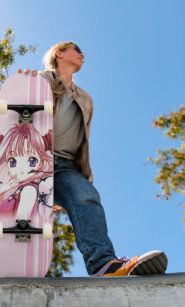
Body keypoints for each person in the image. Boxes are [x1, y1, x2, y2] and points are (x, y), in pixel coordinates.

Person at [18, 41, 168, 277]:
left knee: (87, 196)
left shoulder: (85, 99)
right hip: (35, 159)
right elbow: (19, 108)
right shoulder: (40, 80)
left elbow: (81, 141)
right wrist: (24, 85)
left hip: (66, 166)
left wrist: (78, 180)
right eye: (76, 50)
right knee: (28, 214)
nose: (81, 54)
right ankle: (22, 265)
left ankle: (103, 265)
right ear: (59, 53)